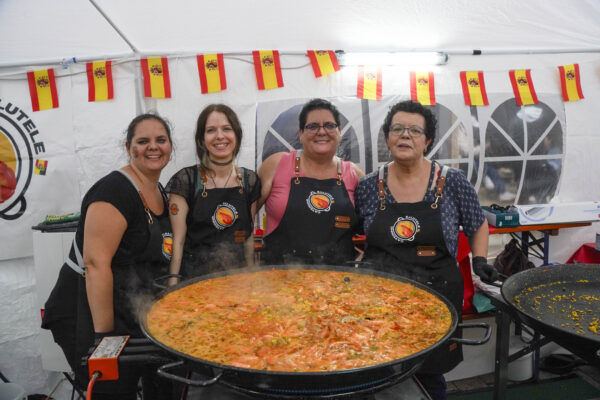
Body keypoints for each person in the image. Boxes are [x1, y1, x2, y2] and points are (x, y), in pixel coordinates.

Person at [354, 100, 498, 400]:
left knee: (429, 374)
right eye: (397, 129)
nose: (405, 135)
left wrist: (480, 260)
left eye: (415, 130)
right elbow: (356, 233)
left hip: (437, 293)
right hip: (380, 296)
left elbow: (477, 224)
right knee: (376, 368)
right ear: (387, 136)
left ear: (428, 140)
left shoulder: (452, 181)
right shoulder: (368, 185)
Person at [41, 114, 175, 399]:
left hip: (129, 310)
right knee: (111, 392)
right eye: (143, 141)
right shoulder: (115, 190)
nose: (153, 147)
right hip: (89, 311)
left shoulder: (158, 191)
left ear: (170, 147)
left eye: (160, 140)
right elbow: (95, 264)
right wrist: (105, 340)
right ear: (129, 147)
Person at [258, 98, 364, 265]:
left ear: (339, 132)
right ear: (301, 134)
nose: (321, 132)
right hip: (277, 281)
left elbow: (377, 226)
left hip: (340, 284)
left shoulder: (354, 174)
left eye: (329, 125)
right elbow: (245, 214)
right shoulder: (276, 164)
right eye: (313, 126)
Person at [167, 104, 261, 280]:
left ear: (236, 135)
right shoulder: (186, 180)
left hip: (238, 280)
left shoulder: (250, 180)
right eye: (211, 130)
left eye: (227, 129)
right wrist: (173, 280)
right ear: (202, 139)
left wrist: (252, 279)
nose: (220, 136)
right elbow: (177, 241)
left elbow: (248, 237)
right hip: (195, 281)